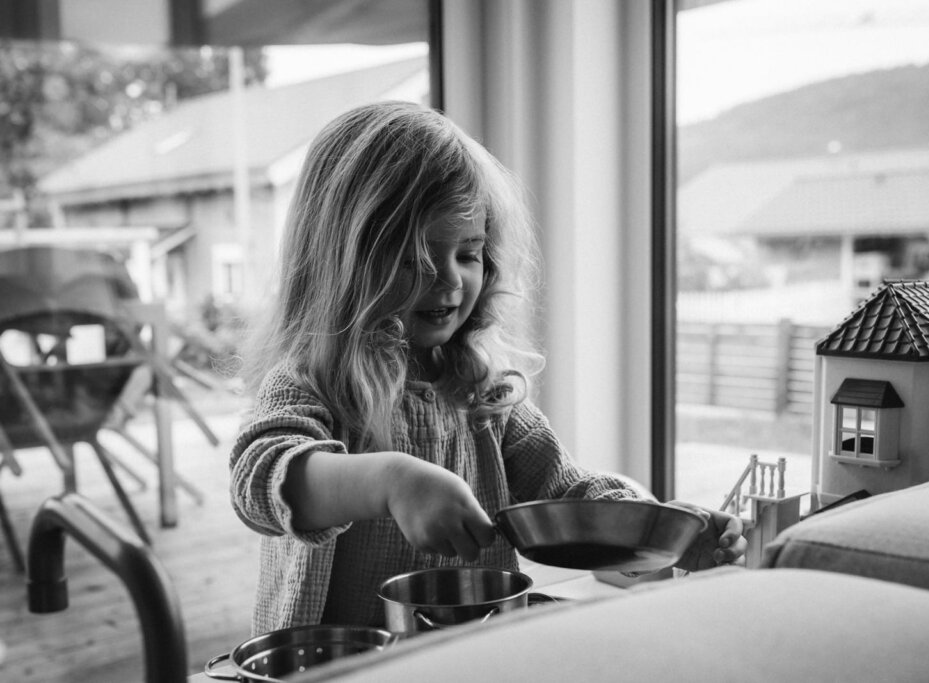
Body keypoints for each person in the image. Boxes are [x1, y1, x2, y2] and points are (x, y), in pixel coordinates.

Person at [229, 101, 746, 633]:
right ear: (342, 261)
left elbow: (566, 493)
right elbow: (259, 481)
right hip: (341, 662)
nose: (451, 280)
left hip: (469, 651)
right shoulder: (311, 380)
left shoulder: (484, 392)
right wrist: (391, 481)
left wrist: (662, 529)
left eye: (468, 253)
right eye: (416, 258)